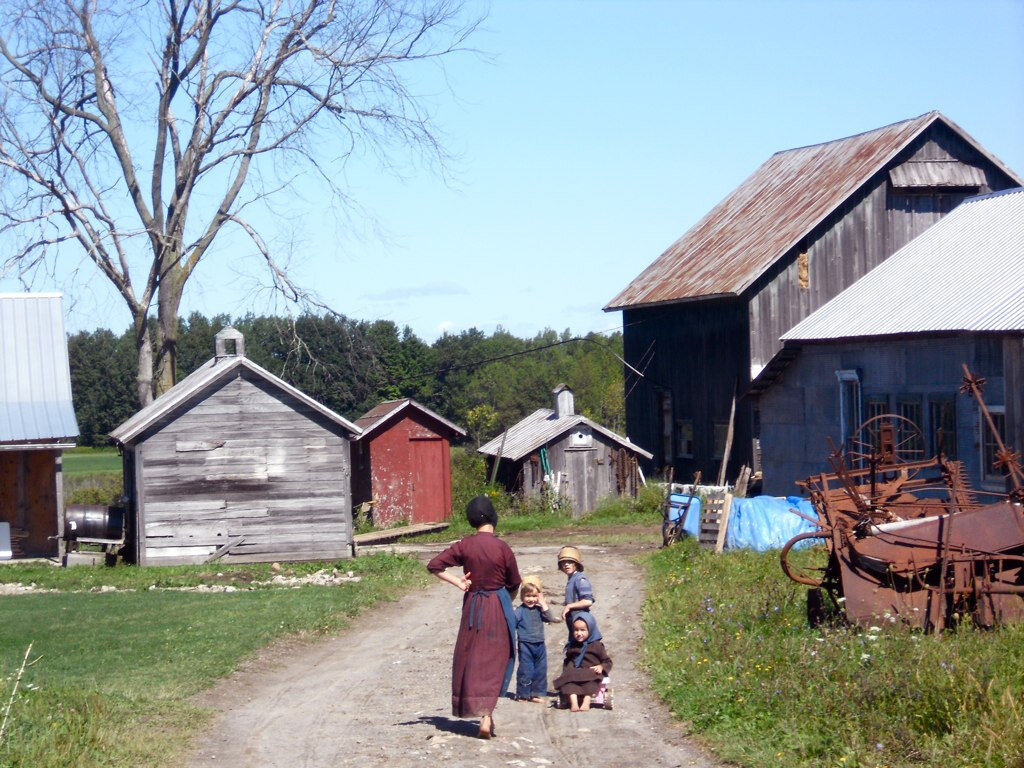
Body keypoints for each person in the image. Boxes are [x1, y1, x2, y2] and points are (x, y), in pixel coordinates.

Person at [427, 496, 521, 739]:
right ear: (493, 517)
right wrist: (506, 601)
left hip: (473, 608)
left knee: (473, 659)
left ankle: (480, 711)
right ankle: (486, 716)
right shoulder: (502, 548)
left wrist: (458, 581)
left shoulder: (465, 545)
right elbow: (514, 582)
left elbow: (434, 565)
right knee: (496, 659)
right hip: (498, 605)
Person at [552, 613, 613, 712]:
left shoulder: (597, 646)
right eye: (576, 630)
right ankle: (574, 702)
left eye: (583, 630)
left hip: (590, 671)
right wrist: (567, 669)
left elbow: (607, 661)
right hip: (575, 671)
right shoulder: (573, 645)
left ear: (591, 630)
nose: (579, 633)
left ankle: (586, 700)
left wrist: (601, 667)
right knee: (568, 682)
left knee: (591, 683)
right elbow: (569, 658)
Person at [513, 576, 558, 703]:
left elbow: (550, 618)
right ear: (522, 596)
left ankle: (536, 694)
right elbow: (512, 625)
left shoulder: (539, 610)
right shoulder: (520, 611)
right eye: (527, 596)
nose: (531, 599)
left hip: (539, 644)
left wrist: (543, 603)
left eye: (534, 596)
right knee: (526, 669)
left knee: (540, 669)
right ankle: (523, 694)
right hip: (525, 644)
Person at [557, 545, 594, 626]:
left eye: (570, 562)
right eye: (563, 562)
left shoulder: (580, 579)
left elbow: (588, 601)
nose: (566, 564)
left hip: (580, 618)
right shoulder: (571, 579)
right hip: (573, 618)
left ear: (576, 564)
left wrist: (569, 606)